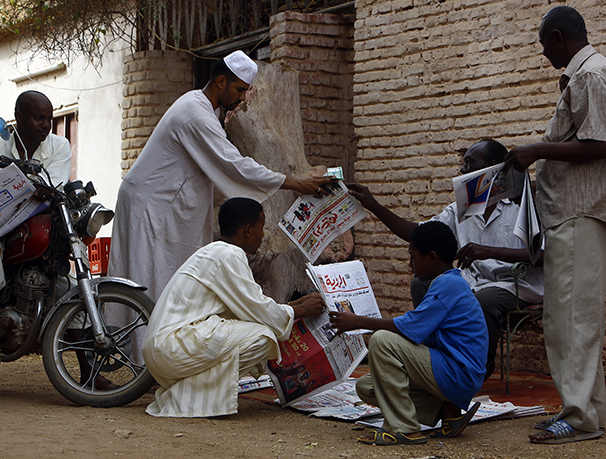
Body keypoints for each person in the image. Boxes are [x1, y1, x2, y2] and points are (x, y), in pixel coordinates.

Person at [107, 50, 332, 362]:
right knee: (153, 280)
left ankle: (158, 356)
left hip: (173, 208)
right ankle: (149, 359)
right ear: (221, 81)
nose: (241, 99)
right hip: (154, 208)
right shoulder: (195, 113)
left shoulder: (205, 112)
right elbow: (233, 164)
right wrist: (294, 182)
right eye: (239, 90)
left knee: (171, 280)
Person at [504, 6, 606, 444]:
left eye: (545, 45)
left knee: (574, 320)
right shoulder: (588, 74)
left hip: (583, 212)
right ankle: (581, 411)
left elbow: (600, 144)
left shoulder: (590, 74)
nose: (544, 53)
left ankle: (580, 418)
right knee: (569, 319)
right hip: (574, 213)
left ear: (560, 37)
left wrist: (536, 149)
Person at [347, 139, 544, 379]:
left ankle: (478, 367)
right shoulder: (462, 209)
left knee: (484, 299)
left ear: (492, 167)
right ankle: (433, 355)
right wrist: (373, 205)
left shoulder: (522, 205)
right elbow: (419, 233)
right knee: (421, 283)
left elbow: (543, 255)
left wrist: (488, 251)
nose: (462, 171)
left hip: (514, 285)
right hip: (471, 281)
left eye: (469, 163)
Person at [142, 197, 325, 417]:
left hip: (164, 351)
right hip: (172, 349)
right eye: (261, 227)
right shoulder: (229, 255)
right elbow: (258, 310)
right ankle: (191, 399)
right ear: (247, 230)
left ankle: (189, 395)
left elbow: (250, 307)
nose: (263, 234)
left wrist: (291, 307)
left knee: (258, 327)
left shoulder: (214, 252)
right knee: (264, 336)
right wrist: (300, 311)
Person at [329, 221, 487, 445]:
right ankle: (447, 411)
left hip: (457, 373)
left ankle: (404, 428)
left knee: (382, 340)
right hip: (451, 371)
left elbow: (411, 326)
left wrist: (358, 321)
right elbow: (417, 332)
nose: (410, 265)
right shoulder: (445, 282)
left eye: (413, 257)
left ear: (431, 257)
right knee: (367, 387)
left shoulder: (450, 284)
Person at [0, 90, 71, 361]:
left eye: (49, 119)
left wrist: (43, 190)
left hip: (33, 232)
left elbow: (53, 183)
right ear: (18, 117)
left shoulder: (59, 147)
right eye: (38, 118)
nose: (45, 124)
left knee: (67, 283)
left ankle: (89, 370)